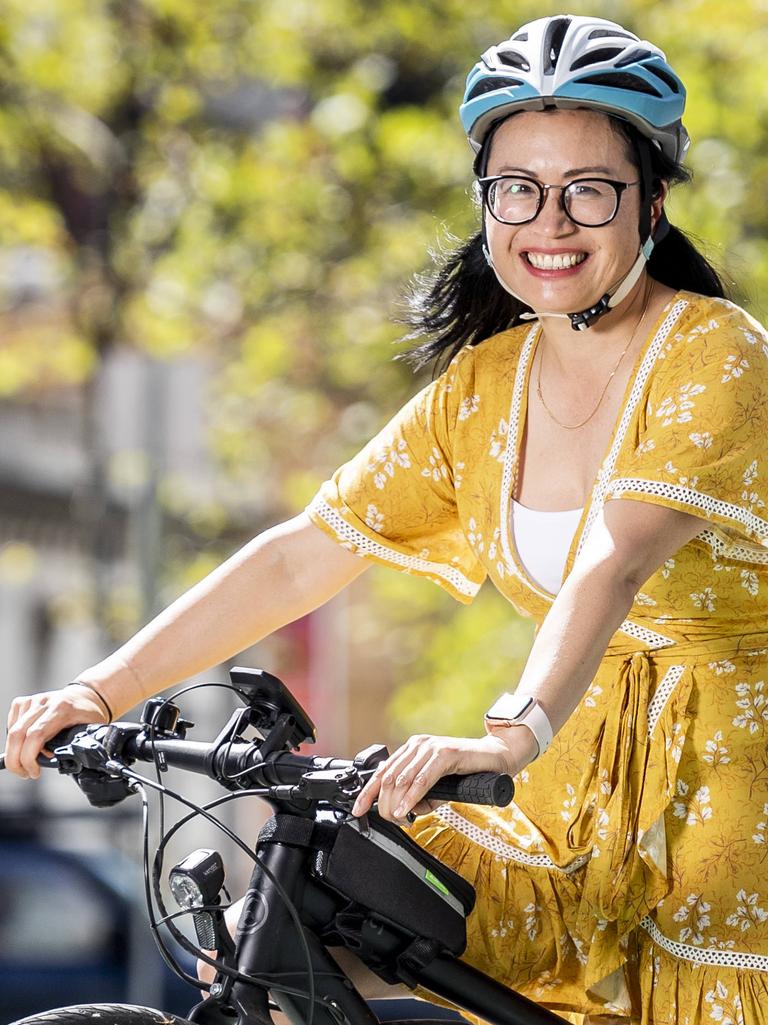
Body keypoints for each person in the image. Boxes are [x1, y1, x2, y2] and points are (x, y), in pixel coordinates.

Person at [6, 12, 768, 1023]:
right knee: (306, 908)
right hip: (567, 817)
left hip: (730, 816)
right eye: (518, 190)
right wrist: (99, 691)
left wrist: (506, 737)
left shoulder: (714, 352)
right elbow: (303, 555)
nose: (550, 222)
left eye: (589, 191)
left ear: (653, 203)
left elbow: (616, 560)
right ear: (486, 202)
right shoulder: (485, 388)